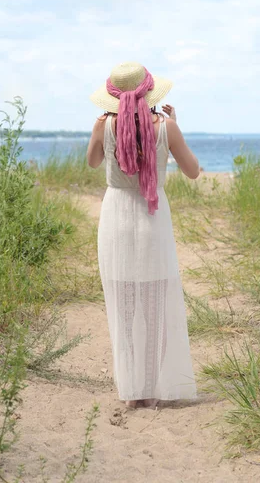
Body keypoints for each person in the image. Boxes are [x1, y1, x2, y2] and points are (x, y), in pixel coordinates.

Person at [87, 61, 199, 410]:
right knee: (154, 309)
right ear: (151, 93)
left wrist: (102, 133)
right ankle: (150, 391)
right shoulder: (165, 128)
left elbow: (92, 162)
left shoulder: (104, 124)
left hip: (116, 218)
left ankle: (132, 389)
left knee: (124, 308)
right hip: (152, 218)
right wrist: (174, 129)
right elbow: (193, 172)